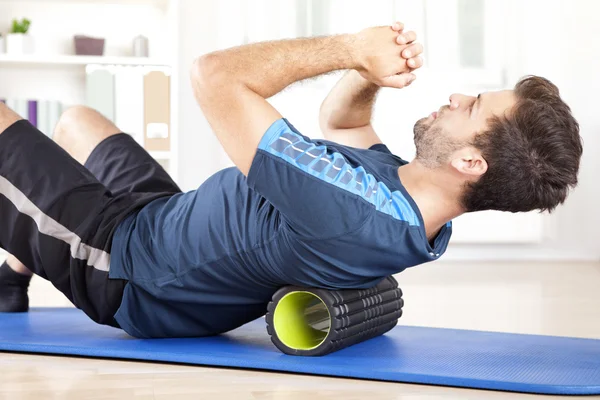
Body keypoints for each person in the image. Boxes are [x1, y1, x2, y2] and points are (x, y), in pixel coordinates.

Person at [0, 23, 582, 338]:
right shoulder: (411, 208)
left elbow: (216, 76)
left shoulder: (356, 214)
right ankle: (13, 276)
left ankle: (31, 248)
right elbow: (345, 121)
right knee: (79, 121)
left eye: (472, 104)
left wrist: (349, 47)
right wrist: (367, 71)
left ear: (471, 163)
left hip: (128, 267)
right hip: (166, 219)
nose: (456, 96)